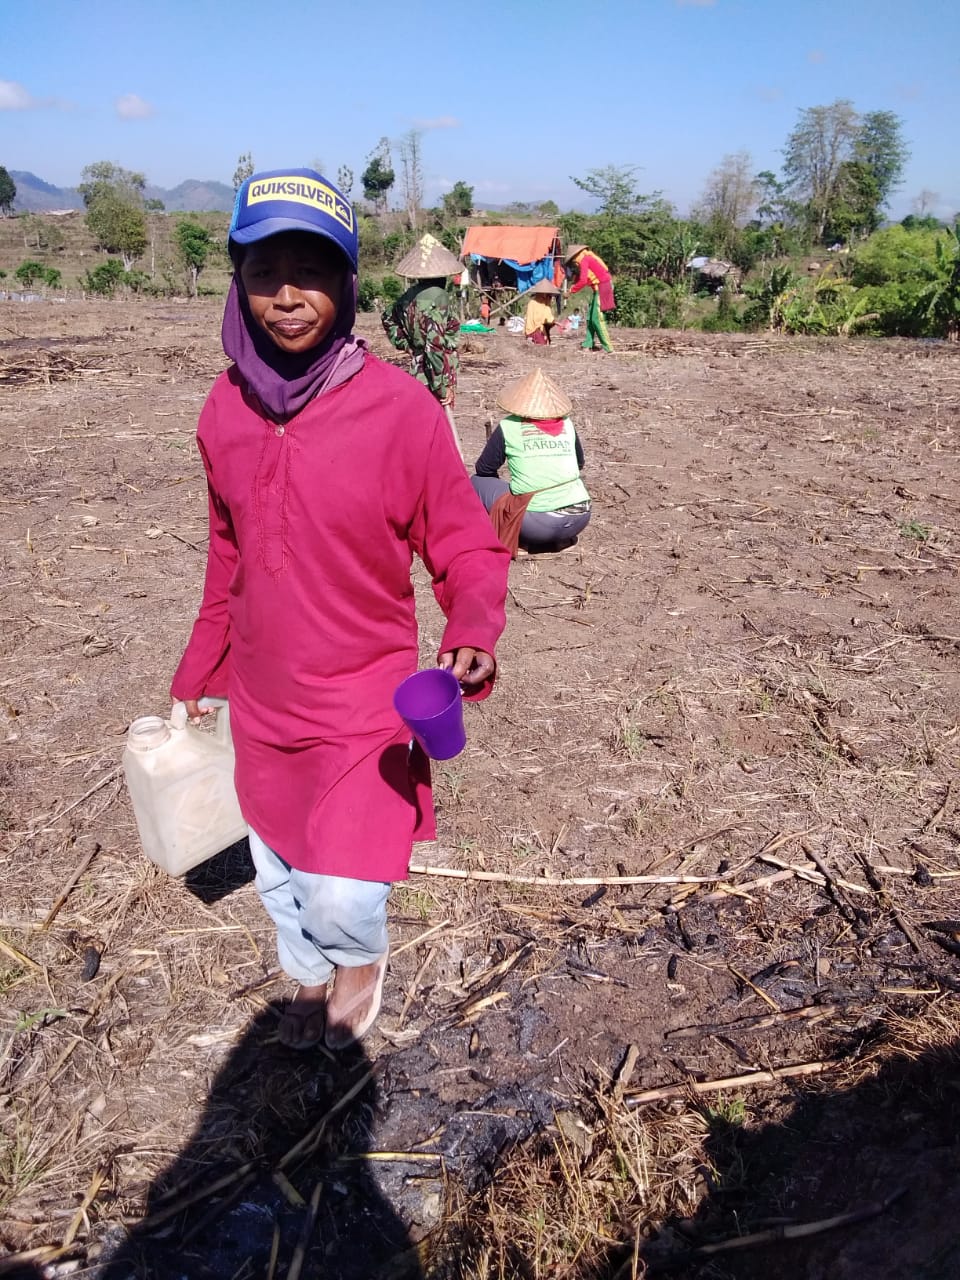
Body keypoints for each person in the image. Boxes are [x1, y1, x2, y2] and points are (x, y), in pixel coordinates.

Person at [171, 169, 510, 1052]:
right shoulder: (223, 411)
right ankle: (309, 972)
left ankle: (358, 958)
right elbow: (227, 555)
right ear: (239, 283)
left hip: (365, 701)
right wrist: (201, 668)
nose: (287, 297)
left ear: (348, 282)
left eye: (311, 272)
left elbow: (467, 543)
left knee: (346, 890)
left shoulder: (400, 410)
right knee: (277, 867)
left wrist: (472, 627)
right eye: (264, 273)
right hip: (264, 698)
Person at [471, 368, 591, 555]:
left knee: (476, 481)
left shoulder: (509, 426)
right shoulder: (567, 423)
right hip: (581, 518)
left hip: (536, 525)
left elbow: (484, 469)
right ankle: (561, 540)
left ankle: (518, 536)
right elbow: (579, 464)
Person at [381, 233, 463, 408]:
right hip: (436, 372)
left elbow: (387, 318)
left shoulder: (408, 295)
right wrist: (441, 385)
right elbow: (434, 343)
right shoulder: (439, 296)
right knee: (438, 418)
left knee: (419, 414)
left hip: (418, 369)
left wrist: (407, 345)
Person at [564, 243, 615, 352]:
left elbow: (583, 281)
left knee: (597, 319)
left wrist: (571, 291)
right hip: (599, 288)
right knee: (590, 318)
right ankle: (588, 344)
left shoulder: (584, 260)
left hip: (603, 287)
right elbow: (585, 278)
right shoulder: (587, 258)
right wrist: (572, 286)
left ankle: (608, 348)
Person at [523, 279, 560, 345]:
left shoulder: (546, 304)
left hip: (542, 328)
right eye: (548, 295)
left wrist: (555, 322)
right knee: (542, 343)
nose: (549, 297)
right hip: (533, 329)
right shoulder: (532, 303)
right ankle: (531, 338)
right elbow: (536, 320)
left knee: (546, 342)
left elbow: (549, 317)